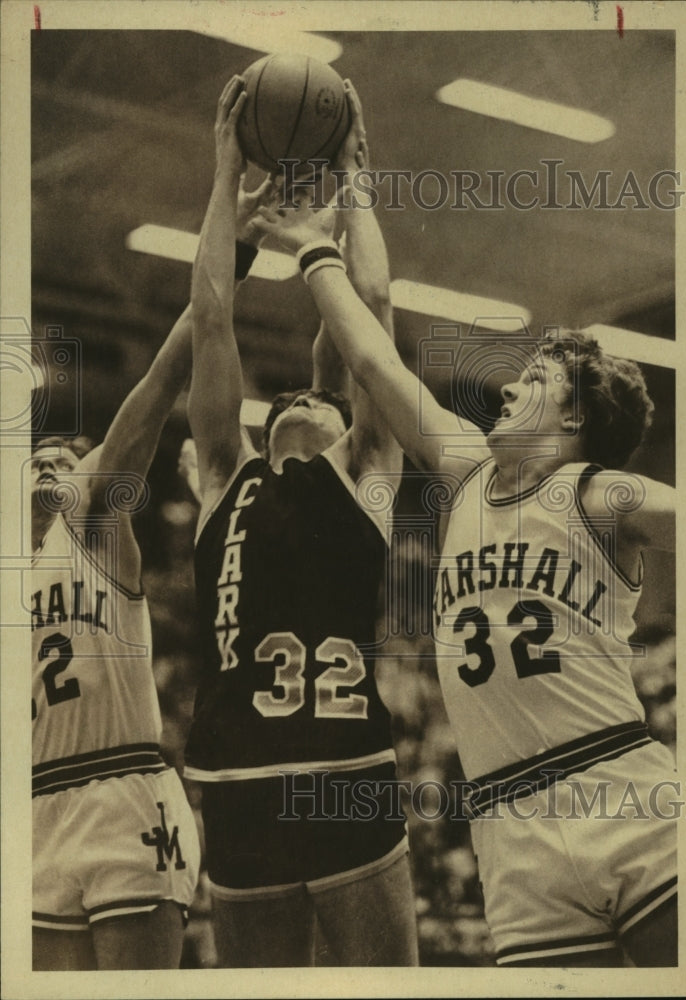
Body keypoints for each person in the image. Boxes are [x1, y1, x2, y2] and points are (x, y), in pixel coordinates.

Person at [253, 92, 678, 968]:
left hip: (621, 791)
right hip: (507, 828)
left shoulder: (600, 494)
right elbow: (371, 355)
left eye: (534, 379)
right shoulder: (464, 469)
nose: (508, 384)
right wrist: (321, 240)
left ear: (574, 420)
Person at [183, 74, 418, 967]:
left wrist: (353, 176)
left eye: (318, 397)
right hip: (238, 785)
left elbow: (373, 314)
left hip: (349, 777)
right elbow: (211, 321)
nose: (296, 400)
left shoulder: (364, 471)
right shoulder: (222, 476)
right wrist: (224, 169)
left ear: (338, 421)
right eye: (280, 400)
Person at [30, 307, 201, 970]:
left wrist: (220, 276)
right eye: (37, 458)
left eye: (67, 461)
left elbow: (156, 389)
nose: (53, 464)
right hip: (38, 804)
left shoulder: (93, 532)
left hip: (120, 788)